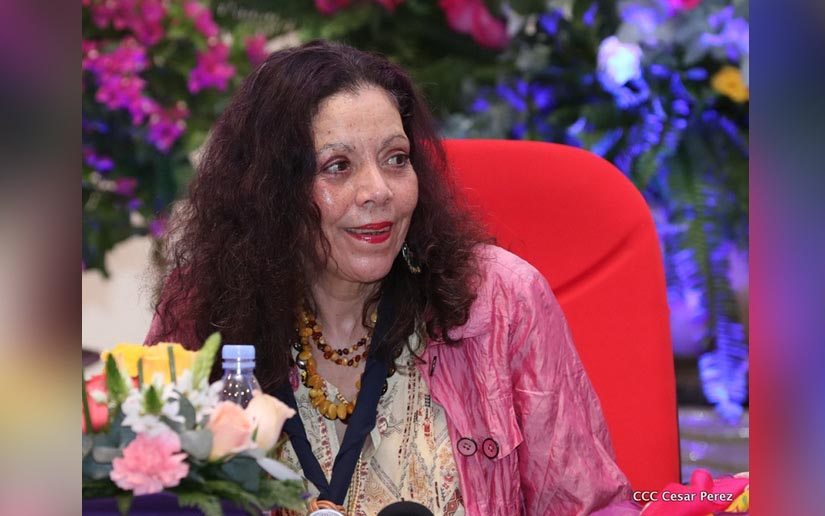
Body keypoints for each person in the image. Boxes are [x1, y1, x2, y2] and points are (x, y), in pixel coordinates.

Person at [146, 40, 636, 516]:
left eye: (396, 159)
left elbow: (593, 507)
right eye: (338, 166)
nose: (378, 191)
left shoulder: (500, 301)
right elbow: (147, 491)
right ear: (270, 191)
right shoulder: (204, 308)